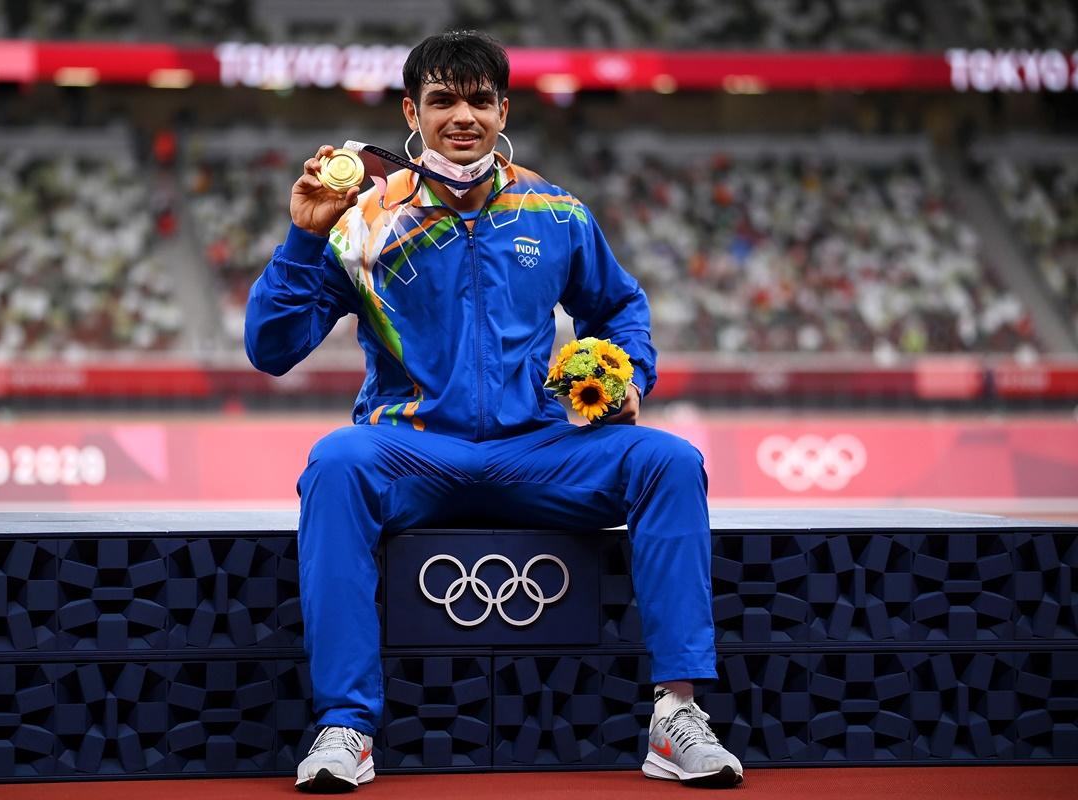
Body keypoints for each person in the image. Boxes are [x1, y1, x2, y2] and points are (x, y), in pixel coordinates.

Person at [244, 30, 743, 793]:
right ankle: (346, 724)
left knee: (669, 462)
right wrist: (303, 240)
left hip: (537, 448)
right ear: (412, 111)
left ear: (503, 107)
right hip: (413, 449)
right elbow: (271, 349)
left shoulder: (556, 210)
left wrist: (627, 373)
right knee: (335, 465)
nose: (463, 116)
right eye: (442, 100)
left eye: (479, 99)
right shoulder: (365, 222)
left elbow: (618, 305)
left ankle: (677, 715)